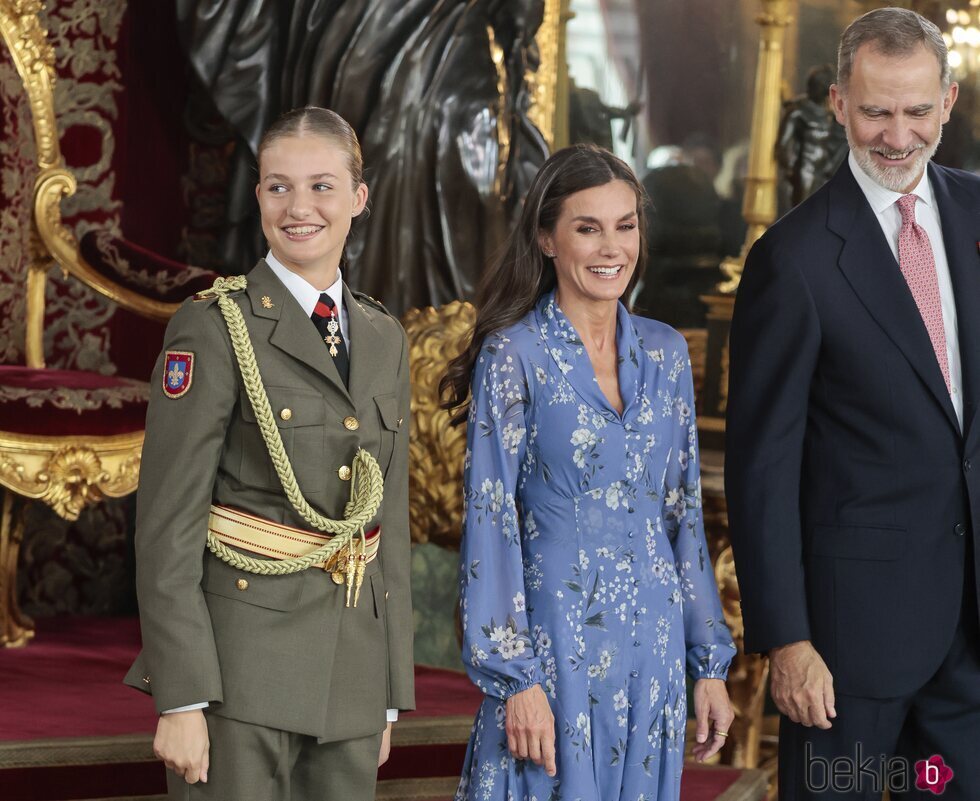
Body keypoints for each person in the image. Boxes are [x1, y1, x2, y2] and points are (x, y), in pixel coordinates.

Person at [123, 106, 414, 800]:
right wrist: (181, 696)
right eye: (278, 187)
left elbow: (386, 526)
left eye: (321, 186)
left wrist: (388, 692)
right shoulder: (214, 327)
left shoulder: (382, 336)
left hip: (350, 676)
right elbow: (167, 526)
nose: (299, 207)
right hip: (239, 676)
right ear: (257, 198)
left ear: (358, 198)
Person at [726, 8, 980, 800]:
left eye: (915, 111)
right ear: (839, 103)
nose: (896, 135)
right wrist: (788, 641)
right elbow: (760, 468)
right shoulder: (792, 260)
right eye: (875, 111)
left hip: (970, 645)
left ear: (949, 100)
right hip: (847, 654)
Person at [442, 144, 736, 801]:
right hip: (554, 652)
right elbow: (491, 523)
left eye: (625, 225)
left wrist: (708, 664)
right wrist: (516, 678)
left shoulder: (664, 353)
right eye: (588, 227)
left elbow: (683, 516)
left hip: (653, 649)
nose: (612, 247)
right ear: (547, 238)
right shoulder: (513, 356)